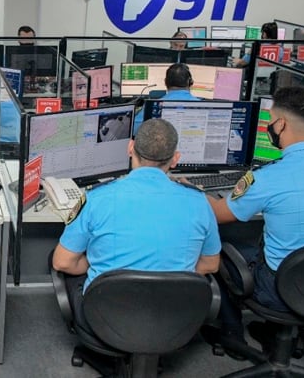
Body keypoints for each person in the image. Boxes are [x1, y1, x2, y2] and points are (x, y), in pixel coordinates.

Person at [52, 118, 221, 330]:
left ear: (130, 148)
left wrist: (93, 262)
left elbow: (62, 263)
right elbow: (210, 265)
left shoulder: (97, 198)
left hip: (106, 319)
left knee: (65, 260)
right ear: (175, 159)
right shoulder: (200, 202)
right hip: (175, 319)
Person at [206, 86, 304, 347]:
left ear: (281, 124)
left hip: (280, 290)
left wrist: (192, 191)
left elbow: (218, 215)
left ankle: (231, 335)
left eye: (270, 120)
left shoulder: (265, 178)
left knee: (216, 248)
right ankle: (279, 337)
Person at [132, 62, 199, 133]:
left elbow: (134, 130)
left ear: (165, 82)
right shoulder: (202, 105)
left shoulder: (152, 105)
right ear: (190, 82)